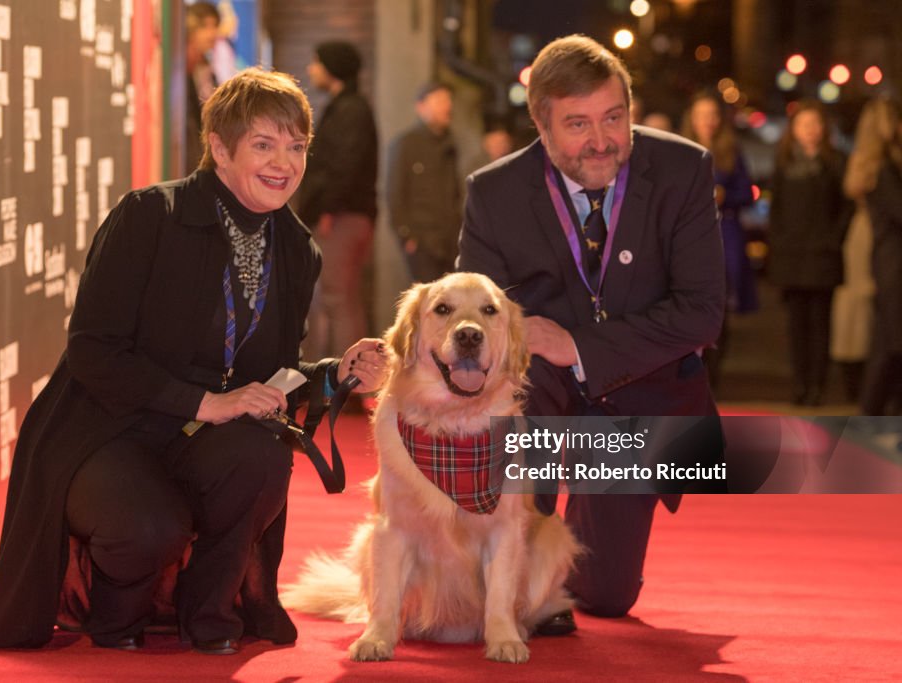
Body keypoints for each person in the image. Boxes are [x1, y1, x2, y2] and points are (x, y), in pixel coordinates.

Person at [0, 68, 387, 654]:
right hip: (108, 427)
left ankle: (209, 618)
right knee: (149, 528)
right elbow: (92, 349)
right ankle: (113, 620)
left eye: (296, 146)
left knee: (262, 458)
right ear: (218, 148)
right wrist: (205, 402)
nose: (283, 162)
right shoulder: (148, 216)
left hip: (205, 434)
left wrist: (337, 374)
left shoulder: (296, 247)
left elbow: (274, 372)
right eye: (263, 144)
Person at [458, 35, 725, 632]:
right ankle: (511, 560)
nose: (601, 140)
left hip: (640, 402)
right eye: (577, 124)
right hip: (541, 400)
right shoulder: (494, 192)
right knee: (523, 383)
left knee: (603, 596)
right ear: (541, 125)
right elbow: (475, 315)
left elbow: (703, 312)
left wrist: (577, 346)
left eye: (614, 117)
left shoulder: (684, 170)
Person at [766, 100, 851, 406]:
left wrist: (833, 238)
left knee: (820, 324)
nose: (810, 131)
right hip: (791, 254)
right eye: (804, 125)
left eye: (815, 124)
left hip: (823, 254)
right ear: (794, 130)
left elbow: (845, 207)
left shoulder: (836, 162)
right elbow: (776, 210)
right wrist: (776, 244)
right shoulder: (785, 162)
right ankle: (800, 383)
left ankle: (817, 384)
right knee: (796, 325)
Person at [297, 41, 379, 359]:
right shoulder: (347, 106)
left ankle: (350, 381)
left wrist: (329, 209)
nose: (311, 69)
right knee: (339, 297)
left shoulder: (351, 109)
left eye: (317, 62)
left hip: (342, 217)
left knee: (337, 297)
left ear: (333, 68)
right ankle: (345, 379)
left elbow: (345, 165)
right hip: (344, 214)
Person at [681, 91, 757, 392]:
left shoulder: (730, 152)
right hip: (689, 242)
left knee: (720, 311)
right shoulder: (679, 151)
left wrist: (727, 197)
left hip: (725, 237)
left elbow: (746, 193)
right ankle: (694, 375)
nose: (708, 122)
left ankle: (714, 376)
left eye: (713, 115)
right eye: (702, 115)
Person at [834, 99, 890, 403]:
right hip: (870, 234)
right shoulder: (871, 161)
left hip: (868, 231)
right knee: (865, 301)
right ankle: (865, 376)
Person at [853, 97, 902, 415]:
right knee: (890, 344)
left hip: (889, 260)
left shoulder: (877, 166)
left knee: (889, 343)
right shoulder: (883, 169)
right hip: (893, 263)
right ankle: (871, 414)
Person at [387, 82, 462, 283]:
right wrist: (407, 236)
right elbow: (394, 193)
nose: (447, 106)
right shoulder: (406, 144)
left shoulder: (451, 144)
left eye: (448, 100)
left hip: (450, 241)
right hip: (422, 240)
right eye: (439, 100)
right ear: (420, 107)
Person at [185, 2, 221, 176]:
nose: (213, 33)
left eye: (215, 26)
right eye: (206, 26)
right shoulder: (177, 71)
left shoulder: (207, 71)